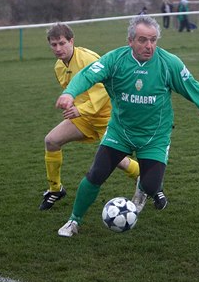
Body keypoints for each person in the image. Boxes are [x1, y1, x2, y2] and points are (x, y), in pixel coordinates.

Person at [56, 15, 199, 237]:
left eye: (153, 40)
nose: (149, 46)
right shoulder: (114, 60)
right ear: (130, 41)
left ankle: (142, 192)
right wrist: (69, 93)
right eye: (143, 40)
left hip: (155, 136)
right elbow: (87, 75)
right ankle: (73, 221)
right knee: (95, 175)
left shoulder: (168, 63)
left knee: (152, 186)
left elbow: (191, 86)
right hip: (120, 132)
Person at [40, 23, 142, 210]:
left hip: (107, 118)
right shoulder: (59, 67)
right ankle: (55, 189)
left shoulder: (87, 59)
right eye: (53, 45)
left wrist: (81, 109)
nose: (58, 48)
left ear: (72, 41)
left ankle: (146, 179)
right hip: (85, 118)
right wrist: (73, 105)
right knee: (51, 141)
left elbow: (104, 90)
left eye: (62, 43)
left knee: (117, 161)